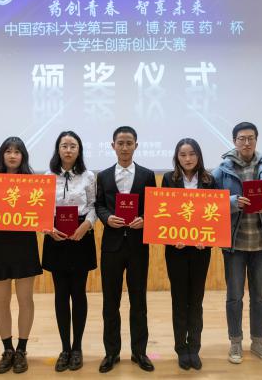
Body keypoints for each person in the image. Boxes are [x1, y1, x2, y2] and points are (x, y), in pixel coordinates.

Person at [212, 121, 262, 365]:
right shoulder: (222, 169)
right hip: (234, 245)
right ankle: (235, 342)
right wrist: (232, 202)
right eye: (241, 138)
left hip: (261, 242)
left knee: (260, 298)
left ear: (256, 140)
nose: (246, 143)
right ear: (234, 141)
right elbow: (209, 201)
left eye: (250, 138)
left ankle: (258, 342)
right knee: (234, 297)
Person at [0, 137, 42, 374]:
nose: (12, 155)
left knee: (25, 299)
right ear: (2, 155)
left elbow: (41, 213)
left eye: (17, 152)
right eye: (8, 151)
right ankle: (7, 349)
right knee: (1, 300)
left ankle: (22, 349)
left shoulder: (34, 183)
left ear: (23, 156)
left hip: (25, 245)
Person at [95, 126, 157, 373]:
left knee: (138, 300)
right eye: (120, 143)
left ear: (136, 146)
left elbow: (154, 207)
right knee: (110, 302)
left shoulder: (147, 175)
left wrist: (145, 219)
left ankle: (139, 352)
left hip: (137, 246)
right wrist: (107, 218)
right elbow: (99, 205)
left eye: (129, 143)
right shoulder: (103, 176)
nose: (124, 147)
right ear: (113, 146)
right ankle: (111, 352)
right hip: (111, 246)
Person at [41, 131, 97, 372]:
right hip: (56, 236)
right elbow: (42, 209)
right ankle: (65, 348)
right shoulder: (47, 177)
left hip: (80, 235)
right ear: (58, 149)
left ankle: (77, 347)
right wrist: (48, 228)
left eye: (73, 146)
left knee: (79, 293)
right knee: (61, 294)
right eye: (64, 146)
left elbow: (93, 206)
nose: (68, 150)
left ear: (79, 150)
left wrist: (87, 225)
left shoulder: (88, 176)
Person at [161, 138, 215, 370]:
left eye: (192, 154)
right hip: (177, 250)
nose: (188, 158)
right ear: (177, 158)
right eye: (183, 155)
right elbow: (164, 211)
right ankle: (181, 348)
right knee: (179, 299)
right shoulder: (168, 179)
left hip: (201, 250)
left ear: (199, 156)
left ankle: (194, 347)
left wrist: (207, 238)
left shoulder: (209, 180)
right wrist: (173, 237)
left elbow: (214, 214)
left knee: (196, 299)